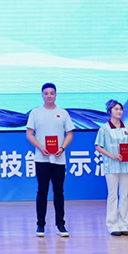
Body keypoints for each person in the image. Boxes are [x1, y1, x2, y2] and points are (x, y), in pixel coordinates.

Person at [26, 83, 75, 237]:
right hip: (42, 159)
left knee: (59, 191)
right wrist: (41, 148)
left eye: (52, 93)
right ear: (42, 95)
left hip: (59, 159)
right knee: (42, 191)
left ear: (56, 95)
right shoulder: (35, 113)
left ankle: (60, 225)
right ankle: (40, 225)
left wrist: (62, 148)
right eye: (46, 93)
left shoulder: (63, 113)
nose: (49, 96)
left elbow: (70, 134)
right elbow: (29, 134)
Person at [95, 99, 128, 236]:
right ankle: (112, 224)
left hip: (125, 166)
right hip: (111, 166)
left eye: (120, 109)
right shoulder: (104, 129)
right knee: (113, 195)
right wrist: (112, 156)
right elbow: (98, 146)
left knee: (124, 195)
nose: (119, 111)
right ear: (110, 111)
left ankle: (124, 224)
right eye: (116, 109)